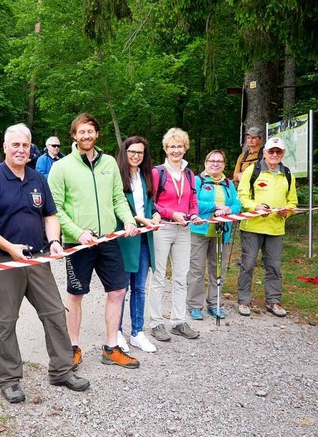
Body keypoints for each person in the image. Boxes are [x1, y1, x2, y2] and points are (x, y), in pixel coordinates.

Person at [0, 123, 89, 403]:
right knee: (4, 322)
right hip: (2, 261)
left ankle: (62, 370)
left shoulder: (38, 179)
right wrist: (9, 247)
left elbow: (50, 215)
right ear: (4, 147)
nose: (21, 150)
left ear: (30, 148)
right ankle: (9, 378)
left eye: (25, 146)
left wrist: (53, 241)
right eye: (15, 145)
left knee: (54, 313)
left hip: (38, 258)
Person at [48, 113, 140, 369]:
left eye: (91, 131)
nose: (86, 136)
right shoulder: (61, 167)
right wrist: (77, 233)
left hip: (108, 239)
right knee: (76, 295)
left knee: (118, 290)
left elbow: (117, 199)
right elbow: (54, 209)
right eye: (81, 132)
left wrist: (129, 220)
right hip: (78, 243)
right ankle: (73, 347)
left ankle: (111, 347)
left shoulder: (109, 162)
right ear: (74, 136)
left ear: (97, 134)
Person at [148, 127, 203, 342]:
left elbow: (192, 200)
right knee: (159, 276)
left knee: (181, 276)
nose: (176, 150)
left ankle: (179, 321)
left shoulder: (189, 173)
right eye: (172, 146)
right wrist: (172, 214)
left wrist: (194, 214)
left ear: (185, 148)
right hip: (163, 228)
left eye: (179, 146)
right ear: (165, 148)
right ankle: (156, 322)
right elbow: (152, 203)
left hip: (184, 229)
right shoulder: (157, 172)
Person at [237, 137, 297, 318]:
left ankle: (273, 301)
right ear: (264, 152)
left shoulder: (287, 174)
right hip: (252, 227)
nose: (274, 155)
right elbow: (242, 196)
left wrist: (287, 212)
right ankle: (244, 300)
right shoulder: (252, 171)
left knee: (274, 266)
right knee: (248, 264)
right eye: (271, 151)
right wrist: (255, 207)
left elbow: (293, 201)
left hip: (276, 229)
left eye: (278, 152)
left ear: (283, 154)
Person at [115, 136, 160, 353]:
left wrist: (156, 215)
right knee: (120, 288)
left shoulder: (146, 176)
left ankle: (137, 332)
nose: (135, 156)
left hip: (144, 237)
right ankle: (116, 331)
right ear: (125, 152)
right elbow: (117, 204)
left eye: (140, 153)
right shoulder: (117, 176)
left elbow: (150, 204)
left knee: (139, 287)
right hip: (125, 238)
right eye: (132, 152)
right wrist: (139, 219)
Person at [186, 150, 241, 320]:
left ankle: (214, 304)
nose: (215, 164)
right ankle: (195, 305)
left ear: (224, 164)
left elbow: (238, 204)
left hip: (221, 233)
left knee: (218, 269)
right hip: (199, 231)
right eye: (212, 160)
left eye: (219, 161)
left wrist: (229, 210)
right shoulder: (197, 180)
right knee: (196, 269)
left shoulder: (228, 183)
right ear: (205, 162)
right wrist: (216, 206)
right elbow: (192, 203)